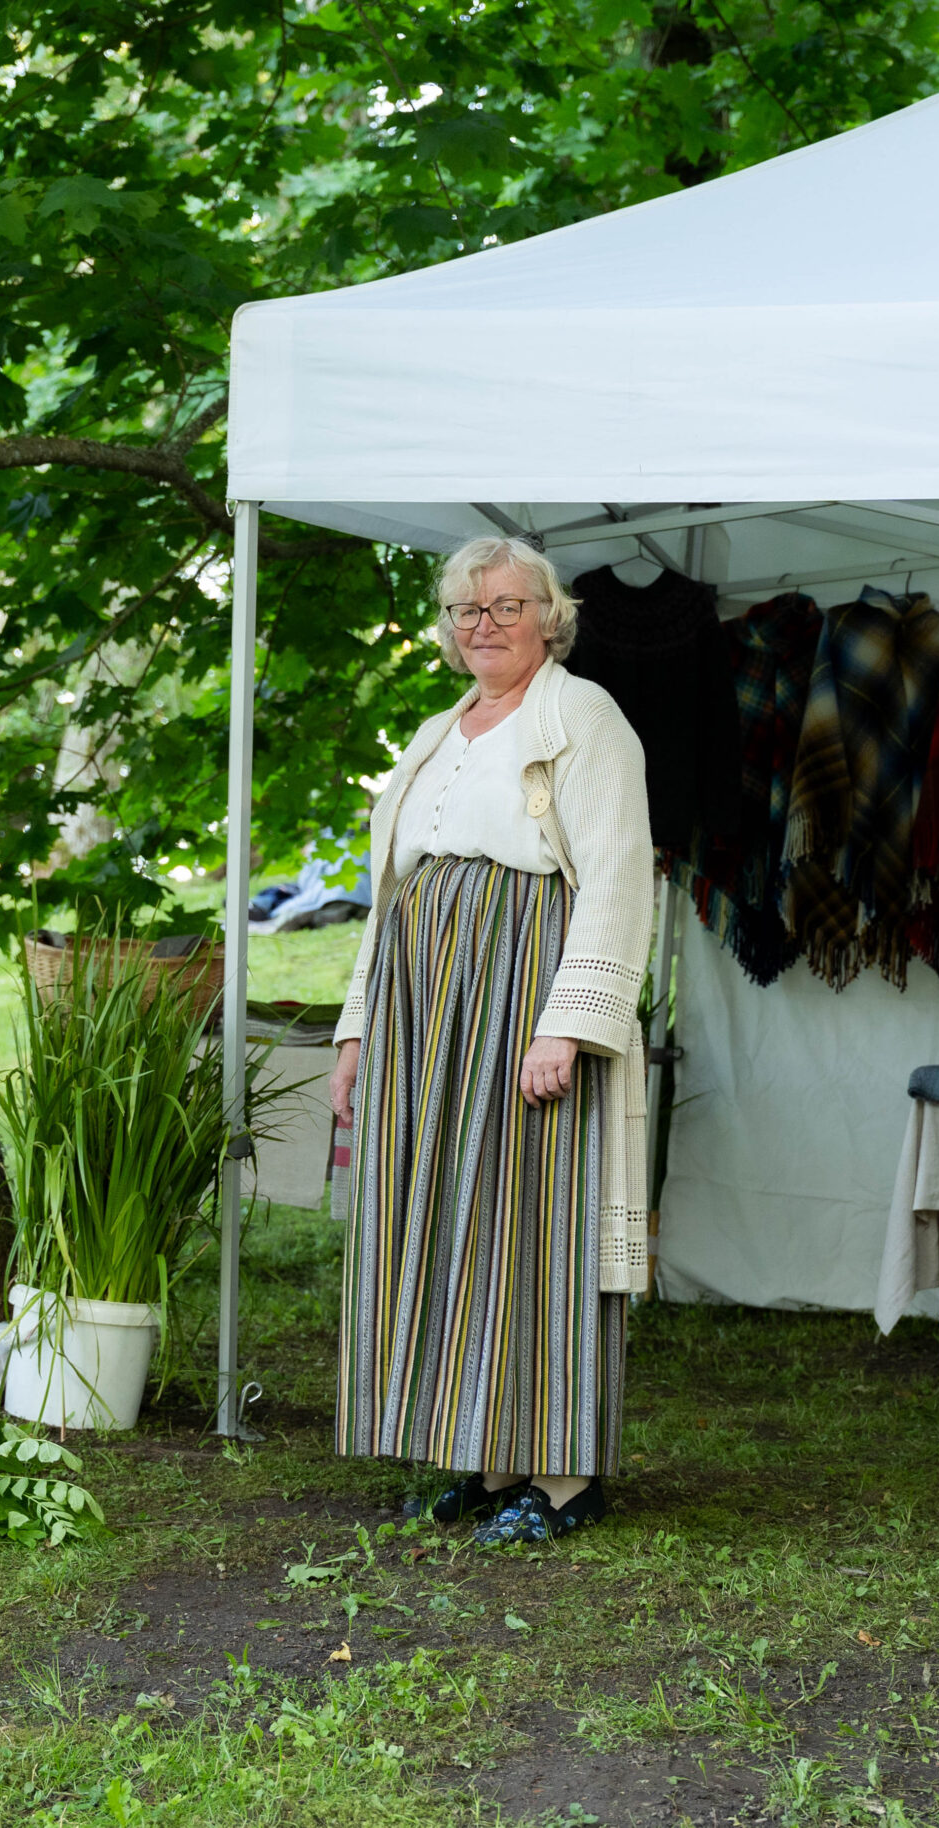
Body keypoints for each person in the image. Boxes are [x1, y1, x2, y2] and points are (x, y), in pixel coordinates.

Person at [327, 535, 653, 1543]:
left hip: (522, 993)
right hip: (426, 1006)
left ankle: (561, 1479)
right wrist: (357, 1033)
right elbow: (390, 894)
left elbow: (616, 875)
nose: (485, 625)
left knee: (532, 1220)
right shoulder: (439, 731)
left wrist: (567, 1024)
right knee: (445, 1215)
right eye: (468, 609)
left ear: (549, 618)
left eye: (507, 606)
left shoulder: (583, 718)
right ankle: (486, 1455)